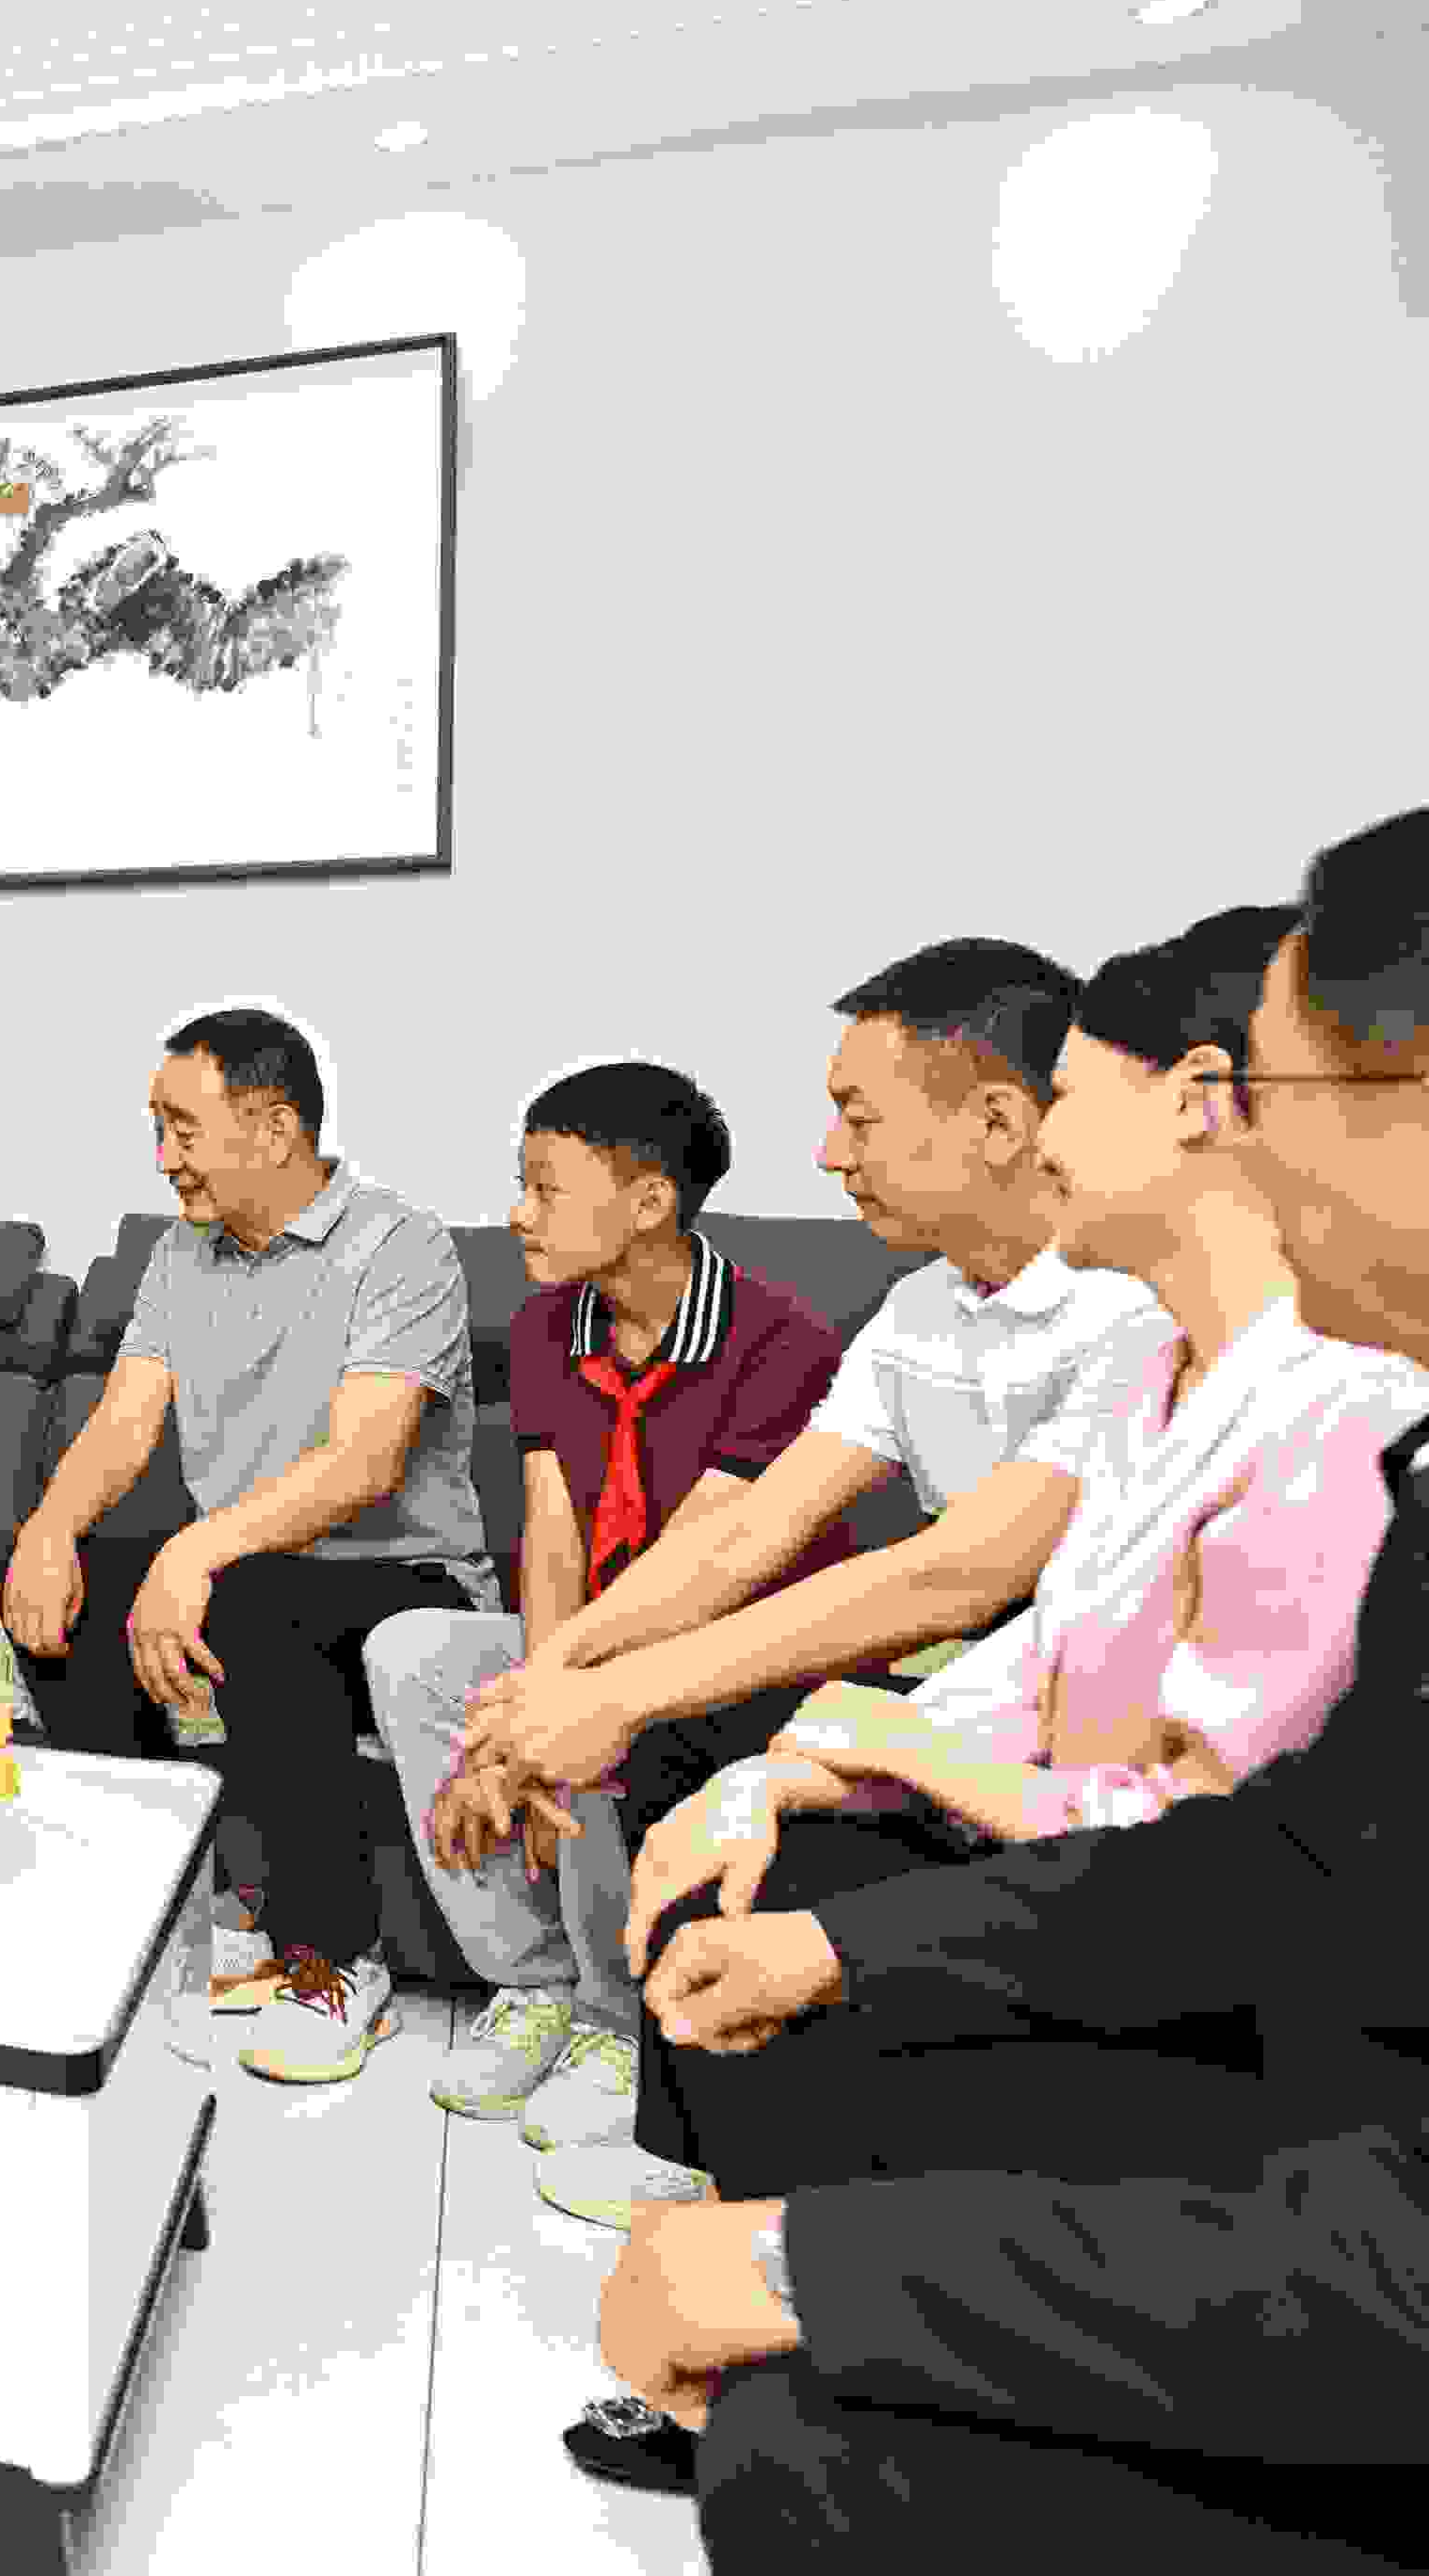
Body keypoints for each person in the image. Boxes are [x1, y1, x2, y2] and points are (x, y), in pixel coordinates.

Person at [598, 812, 1429, 2570]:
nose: (1049, 1130)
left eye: (1281, 1093)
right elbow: (1256, 1831)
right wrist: (818, 1828)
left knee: (813, 2443)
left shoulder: (1347, 1404)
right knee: (792, 1903)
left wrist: (811, 2267)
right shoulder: (1164, 1374)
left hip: (1320, 2136)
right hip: (1277, 2021)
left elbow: (975, 1608)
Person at [445, 940, 1174, 2233]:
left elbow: (963, 1569)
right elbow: (746, 1535)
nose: (830, 1154)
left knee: (704, 1742)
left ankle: (801, 2196)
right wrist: (552, 1679)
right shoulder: (917, 1311)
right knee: (681, 1741)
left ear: (998, 1122)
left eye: (859, 1115)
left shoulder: (1128, 1308)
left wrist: (621, 1689)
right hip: (979, 1683)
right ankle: (696, 2147)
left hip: (1091, 1710)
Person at [363, 1063, 851, 2155]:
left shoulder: (785, 1340)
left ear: (649, 1202)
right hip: (596, 1628)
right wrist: (527, 1703)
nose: (516, 1212)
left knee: (593, 1706)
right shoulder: (549, 1325)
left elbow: (703, 1558)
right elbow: (553, 1531)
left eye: (544, 1187)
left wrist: (551, 1709)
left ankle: (614, 2016)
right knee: (417, 1652)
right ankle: (534, 1982)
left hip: (733, 1653)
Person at [4, 1007, 495, 2085]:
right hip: (248, 1568)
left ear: (274, 1128)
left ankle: (335, 1959)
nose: (163, 1156)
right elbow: (125, 1420)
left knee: (257, 1603)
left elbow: (366, 1460)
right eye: (157, 1127)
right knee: (73, 1595)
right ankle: (168, 1907)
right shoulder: (182, 1253)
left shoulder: (399, 1244)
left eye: (182, 1127)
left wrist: (193, 1557)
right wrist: (46, 1532)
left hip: (404, 1582)